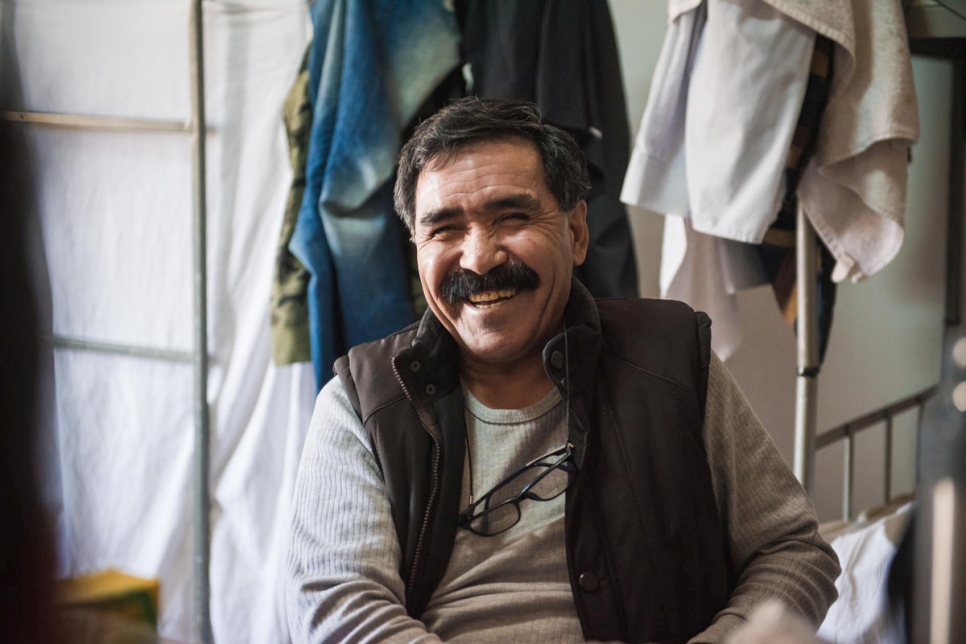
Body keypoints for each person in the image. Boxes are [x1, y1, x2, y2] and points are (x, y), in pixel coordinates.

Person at [286, 97, 840, 644]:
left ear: (576, 232)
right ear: (416, 249)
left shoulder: (673, 360)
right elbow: (339, 603)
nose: (478, 258)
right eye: (445, 230)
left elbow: (791, 551)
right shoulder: (363, 402)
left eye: (512, 217)